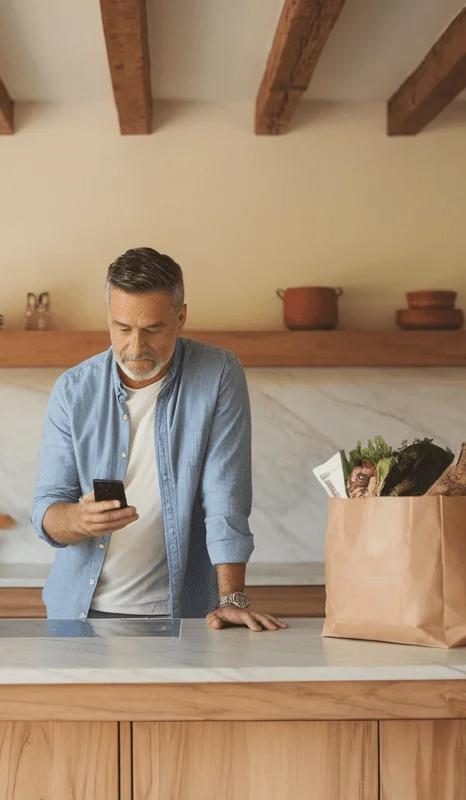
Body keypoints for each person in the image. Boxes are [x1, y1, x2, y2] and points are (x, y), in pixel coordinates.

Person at [31, 247, 286, 632]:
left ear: (180, 317)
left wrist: (231, 599)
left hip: (184, 616)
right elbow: (46, 509)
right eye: (122, 328)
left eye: (152, 329)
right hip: (79, 615)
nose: (135, 347)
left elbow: (225, 498)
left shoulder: (217, 374)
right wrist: (79, 519)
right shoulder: (72, 390)